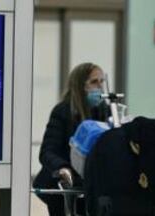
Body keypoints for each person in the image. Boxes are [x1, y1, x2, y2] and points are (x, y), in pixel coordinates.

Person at [32, 62, 109, 216]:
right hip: (64, 185)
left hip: (91, 183)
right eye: (94, 82)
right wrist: (62, 168)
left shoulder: (105, 111)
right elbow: (47, 152)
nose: (99, 87)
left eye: (102, 81)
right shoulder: (63, 111)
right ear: (81, 85)